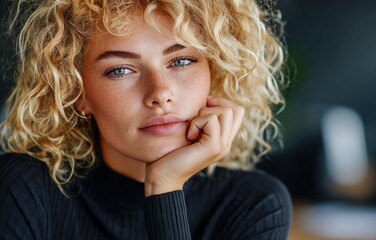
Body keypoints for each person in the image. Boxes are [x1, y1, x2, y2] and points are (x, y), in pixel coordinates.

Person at [0, 0, 291, 239]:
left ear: (214, 72)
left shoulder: (254, 204)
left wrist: (165, 187)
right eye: (120, 70)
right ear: (76, 91)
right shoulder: (23, 190)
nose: (160, 92)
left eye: (180, 61)